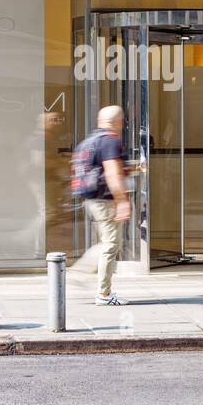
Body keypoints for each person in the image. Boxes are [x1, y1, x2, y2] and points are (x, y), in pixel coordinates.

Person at [76, 105, 132, 306]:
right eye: (123, 120)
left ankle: (79, 272)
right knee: (111, 244)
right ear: (118, 122)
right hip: (105, 200)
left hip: (92, 199)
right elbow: (112, 173)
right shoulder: (110, 140)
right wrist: (122, 201)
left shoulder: (88, 142)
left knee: (107, 242)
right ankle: (103, 294)